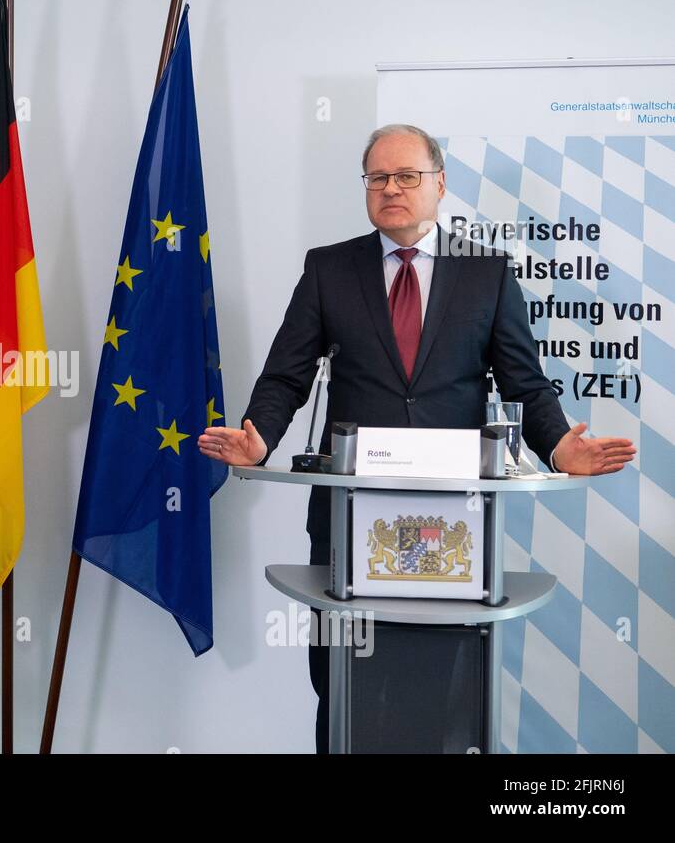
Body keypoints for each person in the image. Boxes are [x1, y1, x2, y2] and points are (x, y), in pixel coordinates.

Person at [198, 123, 635, 753]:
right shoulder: (329, 269)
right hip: (347, 526)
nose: (391, 189)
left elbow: (526, 384)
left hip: (448, 527)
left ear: (440, 184)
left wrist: (562, 445)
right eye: (378, 178)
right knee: (344, 684)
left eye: (407, 176)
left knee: (436, 688)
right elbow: (285, 376)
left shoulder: (485, 275)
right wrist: (259, 437)